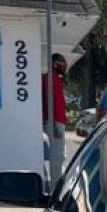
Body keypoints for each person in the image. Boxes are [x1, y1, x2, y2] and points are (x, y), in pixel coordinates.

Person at [42, 53, 68, 186]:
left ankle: (56, 183)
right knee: (57, 156)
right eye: (61, 64)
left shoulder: (54, 79)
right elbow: (48, 100)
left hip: (56, 121)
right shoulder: (50, 79)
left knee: (60, 155)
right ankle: (56, 186)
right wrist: (53, 123)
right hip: (54, 122)